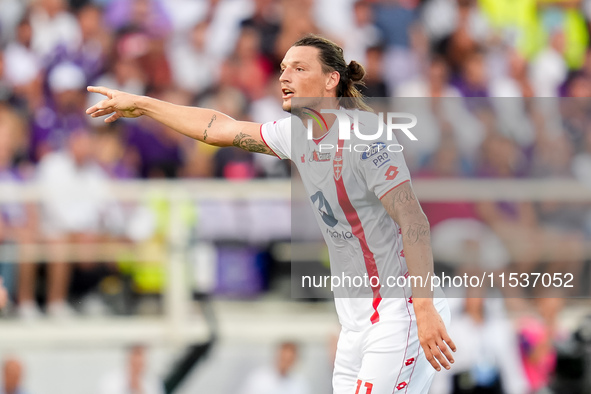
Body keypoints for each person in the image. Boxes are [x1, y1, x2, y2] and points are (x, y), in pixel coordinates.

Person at [86, 34, 455, 394]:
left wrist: (422, 308)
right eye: (282, 68)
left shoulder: (365, 137)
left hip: (399, 310)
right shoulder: (296, 133)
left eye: (298, 67)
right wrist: (144, 105)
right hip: (355, 324)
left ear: (331, 80)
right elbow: (220, 129)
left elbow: (414, 220)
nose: (284, 77)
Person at [240, 341, 310, 394]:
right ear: (277, 356)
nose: (285, 363)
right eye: (283, 358)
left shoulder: (300, 382)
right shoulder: (259, 378)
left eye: (289, 359)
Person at [98, 344, 164, 394]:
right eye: (135, 362)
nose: (138, 366)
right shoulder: (110, 380)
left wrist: (139, 389)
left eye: (141, 362)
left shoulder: (154, 381)